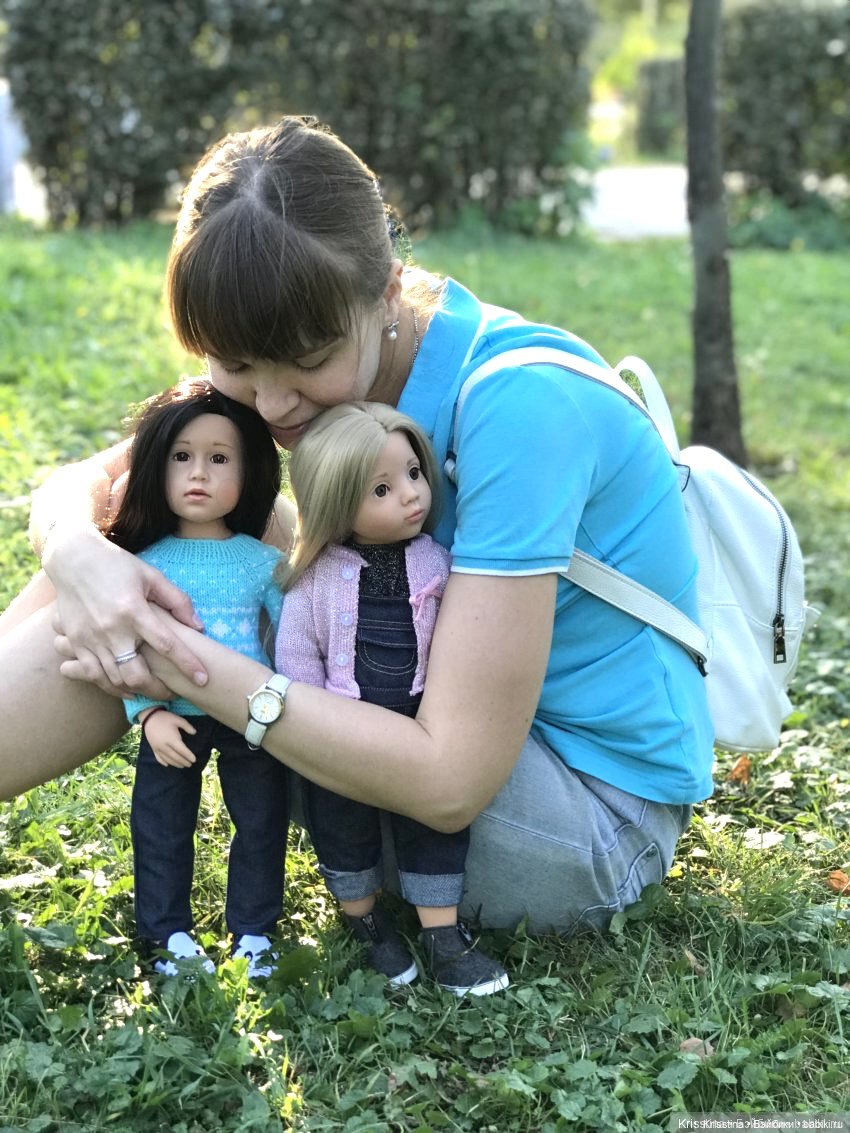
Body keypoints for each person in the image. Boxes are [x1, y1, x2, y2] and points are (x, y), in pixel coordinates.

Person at [0, 116, 714, 937]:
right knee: (160, 524)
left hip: (581, 814)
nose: (269, 403)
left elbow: (451, 778)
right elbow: (94, 484)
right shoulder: (298, 335)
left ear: (385, 293)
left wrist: (183, 657)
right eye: (233, 364)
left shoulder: (519, 411)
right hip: (407, 708)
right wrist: (76, 552)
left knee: (168, 585)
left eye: (306, 364)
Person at [277, 401, 508, 995]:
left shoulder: (440, 562)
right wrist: (309, 722)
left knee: (433, 825)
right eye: (381, 488)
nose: (411, 495)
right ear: (334, 503)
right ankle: (364, 922)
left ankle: (443, 934)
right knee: (342, 825)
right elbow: (298, 656)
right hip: (341, 728)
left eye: (413, 474)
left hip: (420, 723)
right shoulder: (318, 578)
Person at [106, 378, 289, 977]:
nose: (198, 474)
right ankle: (168, 934)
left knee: (261, 824)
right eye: (182, 457)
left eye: (218, 459)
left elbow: (287, 640)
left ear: (249, 471)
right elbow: (128, 643)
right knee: (160, 827)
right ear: (158, 466)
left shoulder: (262, 562)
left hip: (251, 717)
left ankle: (254, 932)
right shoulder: (142, 563)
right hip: (171, 719)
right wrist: (147, 713)